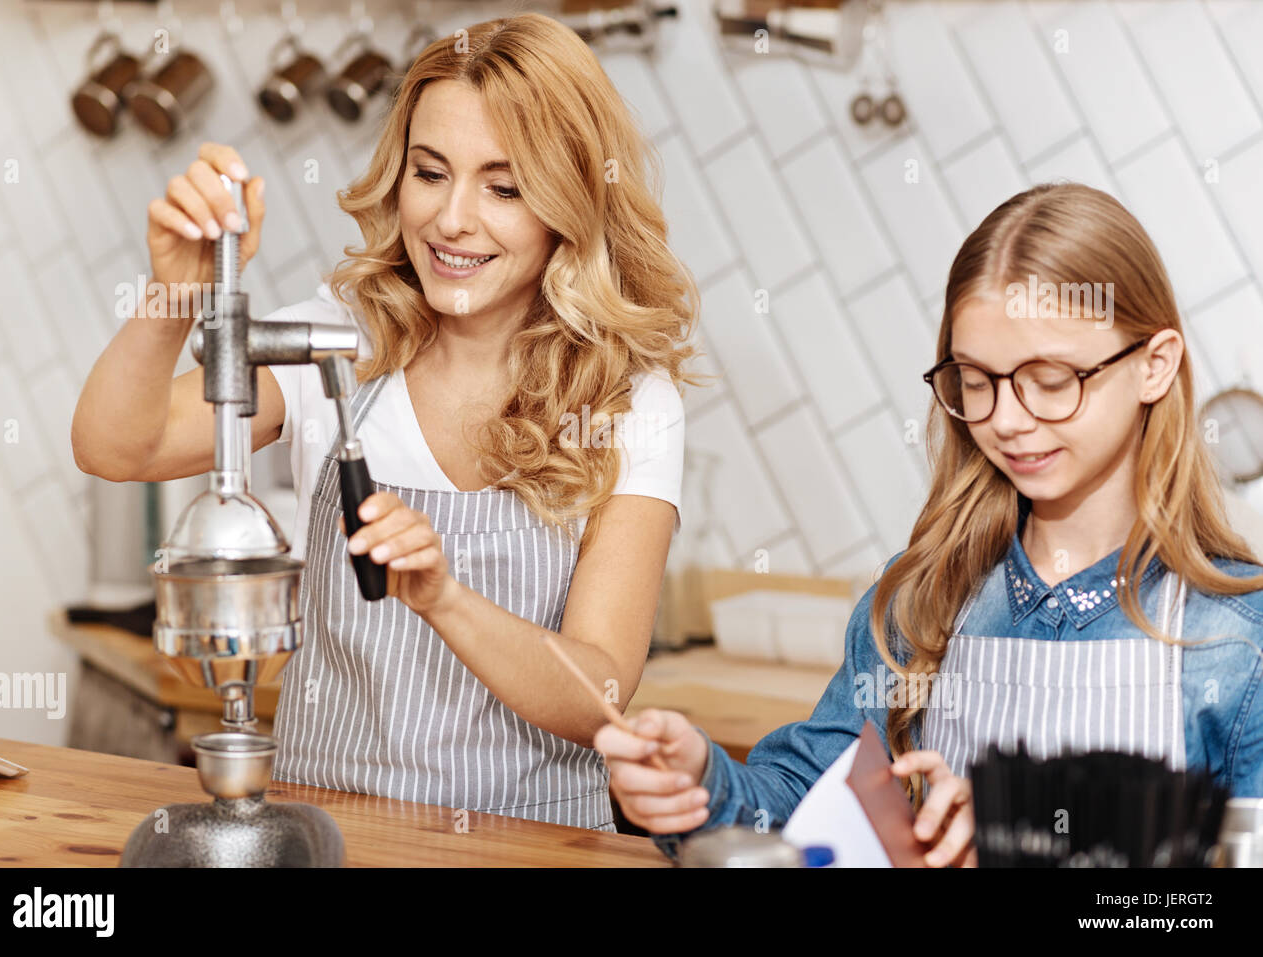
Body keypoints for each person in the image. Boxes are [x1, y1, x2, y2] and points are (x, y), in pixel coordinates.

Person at [72, 13, 700, 831]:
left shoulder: (629, 403)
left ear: (570, 203)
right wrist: (178, 292)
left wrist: (442, 597)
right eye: (430, 172)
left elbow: (602, 692)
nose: (451, 219)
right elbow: (116, 444)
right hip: (323, 838)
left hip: (536, 848)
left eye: (504, 188)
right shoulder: (342, 339)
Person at [595, 182, 1263, 863]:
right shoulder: (921, 602)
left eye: (1052, 379)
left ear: (1155, 366)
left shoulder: (1238, 637)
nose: (1005, 418)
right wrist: (699, 781)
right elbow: (807, 804)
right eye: (976, 380)